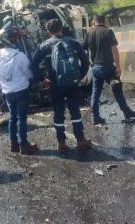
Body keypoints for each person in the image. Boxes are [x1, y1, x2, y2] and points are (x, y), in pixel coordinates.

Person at [31, 19, 92, 152]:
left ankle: (61, 143)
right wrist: (79, 76)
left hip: (55, 84)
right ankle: (81, 140)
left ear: (48, 32)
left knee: (58, 112)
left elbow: (33, 64)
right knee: (75, 111)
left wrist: (43, 79)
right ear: (61, 28)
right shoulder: (73, 43)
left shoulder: (44, 46)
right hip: (72, 84)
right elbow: (86, 62)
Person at [83, 15, 135, 125]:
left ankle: (95, 117)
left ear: (94, 21)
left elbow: (83, 50)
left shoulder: (89, 33)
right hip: (108, 67)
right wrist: (118, 66)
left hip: (95, 68)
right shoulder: (108, 32)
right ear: (104, 21)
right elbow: (114, 50)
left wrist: (89, 63)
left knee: (95, 93)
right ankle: (127, 114)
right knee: (117, 90)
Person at [0, 29, 38, 155]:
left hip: (8, 93)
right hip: (22, 91)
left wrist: (0, 90)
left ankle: (14, 144)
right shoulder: (20, 56)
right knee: (21, 118)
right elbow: (29, 74)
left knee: (12, 118)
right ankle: (24, 145)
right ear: (13, 40)